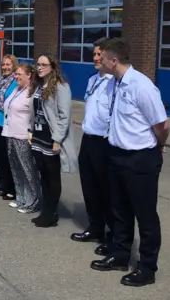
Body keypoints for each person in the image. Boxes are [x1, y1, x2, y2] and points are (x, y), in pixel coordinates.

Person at [90, 38, 168, 288]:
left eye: (103, 58)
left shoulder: (142, 86)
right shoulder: (114, 83)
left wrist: (158, 145)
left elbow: (161, 125)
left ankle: (147, 267)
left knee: (145, 216)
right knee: (119, 211)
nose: (99, 60)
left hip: (140, 158)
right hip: (117, 155)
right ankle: (120, 256)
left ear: (114, 61)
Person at [70, 37, 115, 257]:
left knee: (106, 190)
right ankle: (95, 227)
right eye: (95, 54)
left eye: (100, 55)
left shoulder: (115, 83)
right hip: (88, 139)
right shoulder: (92, 80)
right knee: (89, 187)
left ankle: (112, 235)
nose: (96, 58)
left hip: (105, 142)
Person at [27, 54, 78, 228]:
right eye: (38, 64)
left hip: (51, 137)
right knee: (43, 176)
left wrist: (57, 139)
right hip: (38, 136)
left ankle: (51, 213)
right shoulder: (39, 85)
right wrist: (30, 130)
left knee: (52, 176)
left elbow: (64, 116)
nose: (39, 68)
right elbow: (34, 111)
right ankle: (46, 210)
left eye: (43, 65)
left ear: (53, 67)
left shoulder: (61, 87)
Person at [3, 63, 41, 214]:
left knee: (27, 169)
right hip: (10, 133)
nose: (16, 77)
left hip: (23, 135)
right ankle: (21, 198)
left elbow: (34, 114)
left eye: (19, 74)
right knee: (16, 168)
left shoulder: (32, 91)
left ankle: (33, 201)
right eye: (16, 74)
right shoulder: (17, 89)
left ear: (29, 75)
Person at [0, 54, 18, 201]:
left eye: (9, 65)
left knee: (8, 158)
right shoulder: (1, 80)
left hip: (7, 124)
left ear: (14, 66)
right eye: (4, 65)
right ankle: (2, 183)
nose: (6, 67)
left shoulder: (15, 82)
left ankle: (10, 188)